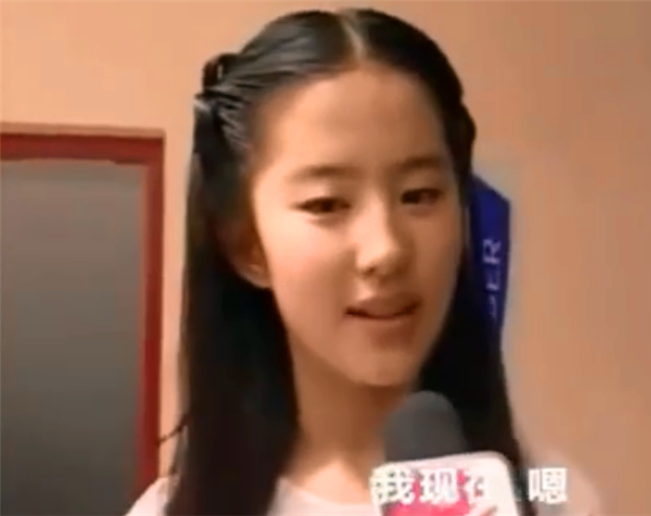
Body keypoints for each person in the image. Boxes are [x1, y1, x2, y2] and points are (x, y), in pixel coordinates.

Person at [126, 7, 601, 516]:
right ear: (247, 245)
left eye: (419, 195)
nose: (386, 250)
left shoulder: (554, 498)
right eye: (327, 204)